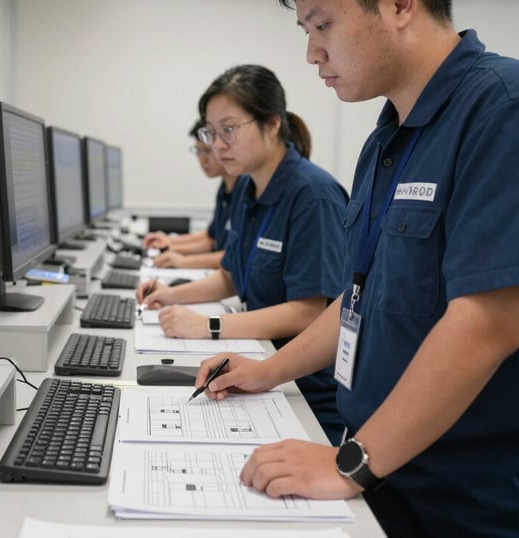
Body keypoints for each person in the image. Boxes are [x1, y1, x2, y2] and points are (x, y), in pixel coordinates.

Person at [195, 1, 519, 536]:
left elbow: (489, 322)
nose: (312, 52)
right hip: (382, 472)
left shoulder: (500, 109)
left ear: (398, 6)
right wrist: (264, 371)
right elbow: (359, 298)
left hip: (459, 501)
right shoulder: (387, 141)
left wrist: (350, 463)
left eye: (322, 25)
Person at [137, 64, 348, 446]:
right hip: (261, 370)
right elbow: (231, 275)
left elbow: (311, 310)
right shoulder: (249, 189)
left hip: (305, 392)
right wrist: (170, 295)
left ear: (271, 124)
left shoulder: (312, 196)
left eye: (228, 130)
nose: (217, 145)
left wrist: (209, 326)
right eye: (211, 132)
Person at [142, 120, 243, 269]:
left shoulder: (245, 190)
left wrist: (182, 261)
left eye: (207, 151)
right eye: (198, 151)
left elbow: (238, 256)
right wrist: (170, 244)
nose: (202, 159)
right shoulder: (224, 189)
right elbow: (211, 237)